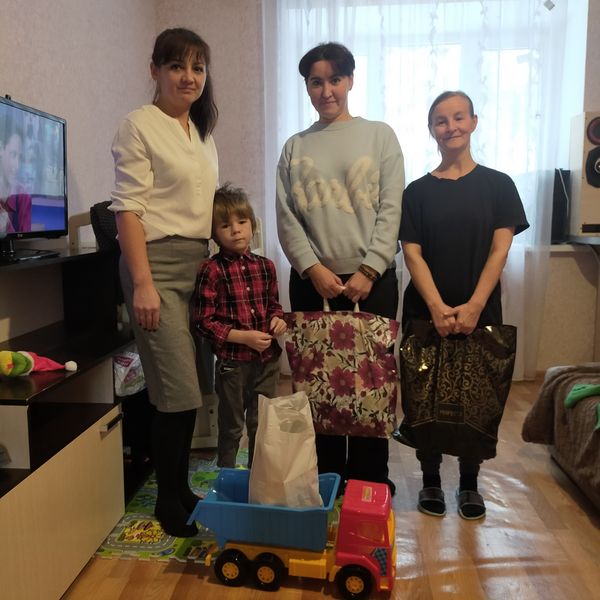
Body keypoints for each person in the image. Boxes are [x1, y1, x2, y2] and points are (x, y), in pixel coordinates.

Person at [276, 42, 404, 495]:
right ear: (307, 87)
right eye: (316, 82)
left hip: (373, 281)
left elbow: (392, 208)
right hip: (313, 282)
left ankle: (369, 482)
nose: (326, 90)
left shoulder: (380, 136)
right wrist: (312, 268)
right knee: (320, 386)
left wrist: (369, 270)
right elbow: (286, 216)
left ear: (350, 80)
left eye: (334, 79)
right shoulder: (295, 146)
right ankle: (328, 479)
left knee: (371, 384)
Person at [399, 90, 529, 519]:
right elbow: (412, 253)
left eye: (458, 117)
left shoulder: (499, 185)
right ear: (431, 130)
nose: (450, 126)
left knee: (478, 395)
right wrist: (436, 307)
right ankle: (431, 479)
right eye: (441, 120)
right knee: (424, 396)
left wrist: (474, 305)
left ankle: (470, 483)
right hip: (425, 312)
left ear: (473, 121)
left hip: (481, 311)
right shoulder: (416, 191)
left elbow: (499, 250)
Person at [109, 27, 219, 537]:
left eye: (197, 67)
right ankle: (167, 502)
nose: (188, 77)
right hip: (155, 265)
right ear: (155, 70)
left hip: (198, 266)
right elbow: (127, 211)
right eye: (177, 66)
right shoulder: (139, 125)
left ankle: (180, 488)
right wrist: (142, 283)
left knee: (191, 387)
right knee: (177, 392)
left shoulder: (202, 133)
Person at [192, 184, 287, 469]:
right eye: (225, 225)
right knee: (232, 427)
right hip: (232, 365)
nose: (236, 230)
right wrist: (243, 337)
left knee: (261, 425)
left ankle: (259, 478)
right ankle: (226, 477)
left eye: (242, 222)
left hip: (267, 361)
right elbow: (203, 322)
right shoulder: (211, 270)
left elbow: (274, 305)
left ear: (252, 225)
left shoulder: (266, 266)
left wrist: (278, 320)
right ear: (214, 233)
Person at [0, 122, 32, 235]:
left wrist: (6, 225)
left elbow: (25, 241)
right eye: (13, 155)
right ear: (1, 149)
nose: (17, 165)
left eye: (20, 157)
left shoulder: (24, 197)